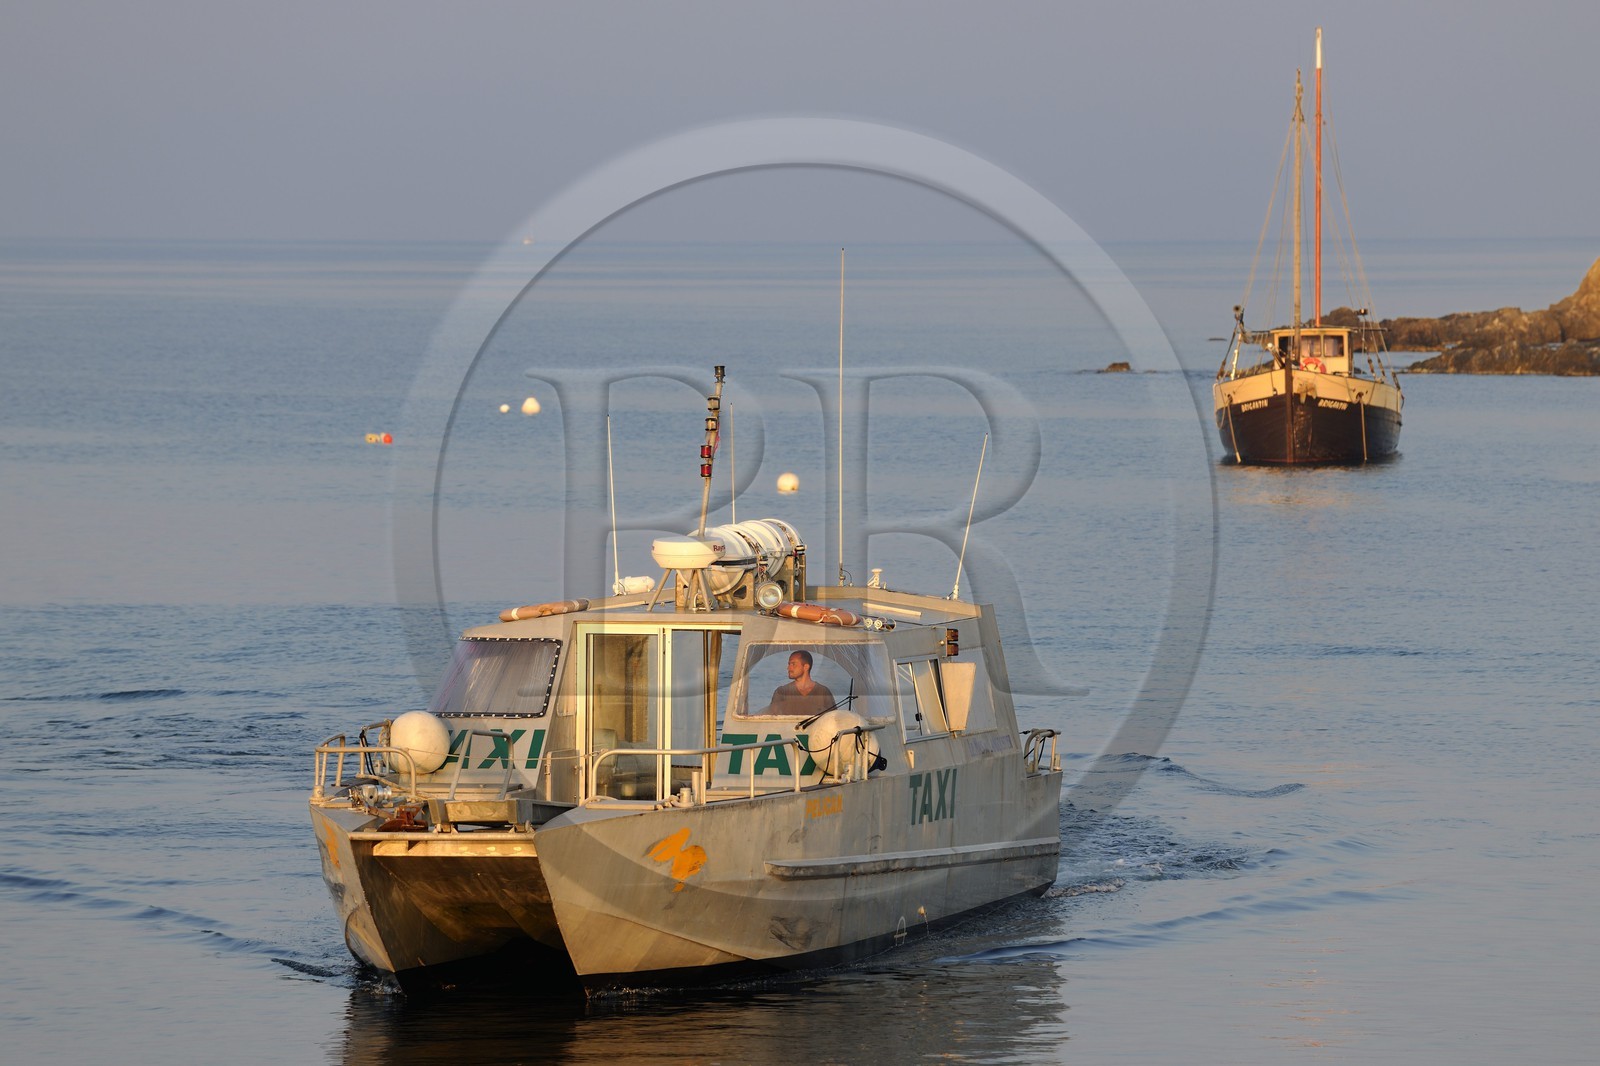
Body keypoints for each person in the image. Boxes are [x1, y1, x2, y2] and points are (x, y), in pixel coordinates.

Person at [767, 650, 836, 716]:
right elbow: (772, 719)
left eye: (793, 664)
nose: (788, 668)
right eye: (789, 664)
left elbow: (833, 719)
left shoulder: (823, 692)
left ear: (806, 667)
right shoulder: (782, 692)